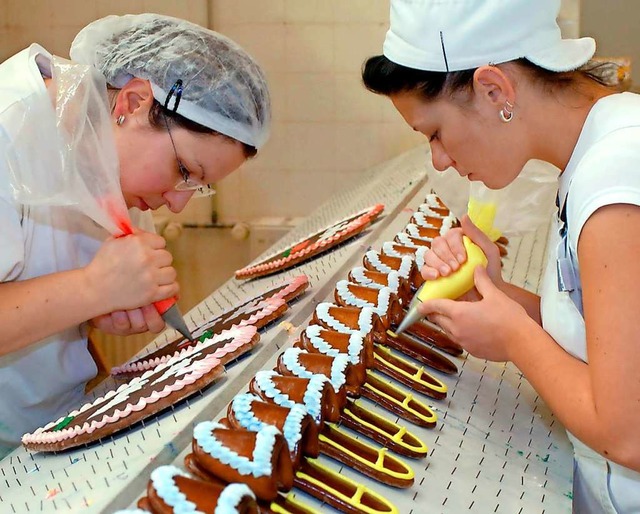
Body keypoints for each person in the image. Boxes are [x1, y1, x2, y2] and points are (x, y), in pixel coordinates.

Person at [362, 0, 640, 512]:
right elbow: (610, 343)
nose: (440, 159)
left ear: (495, 90)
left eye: (436, 133)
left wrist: (513, 335)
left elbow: (629, 434)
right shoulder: (600, 149)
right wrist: (496, 295)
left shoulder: (616, 176)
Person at [0, 13, 270, 457]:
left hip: (45, 431)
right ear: (132, 103)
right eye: (184, 171)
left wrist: (96, 309)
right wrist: (91, 289)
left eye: (197, 187)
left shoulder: (109, 156)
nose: (179, 203)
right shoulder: (10, 131)